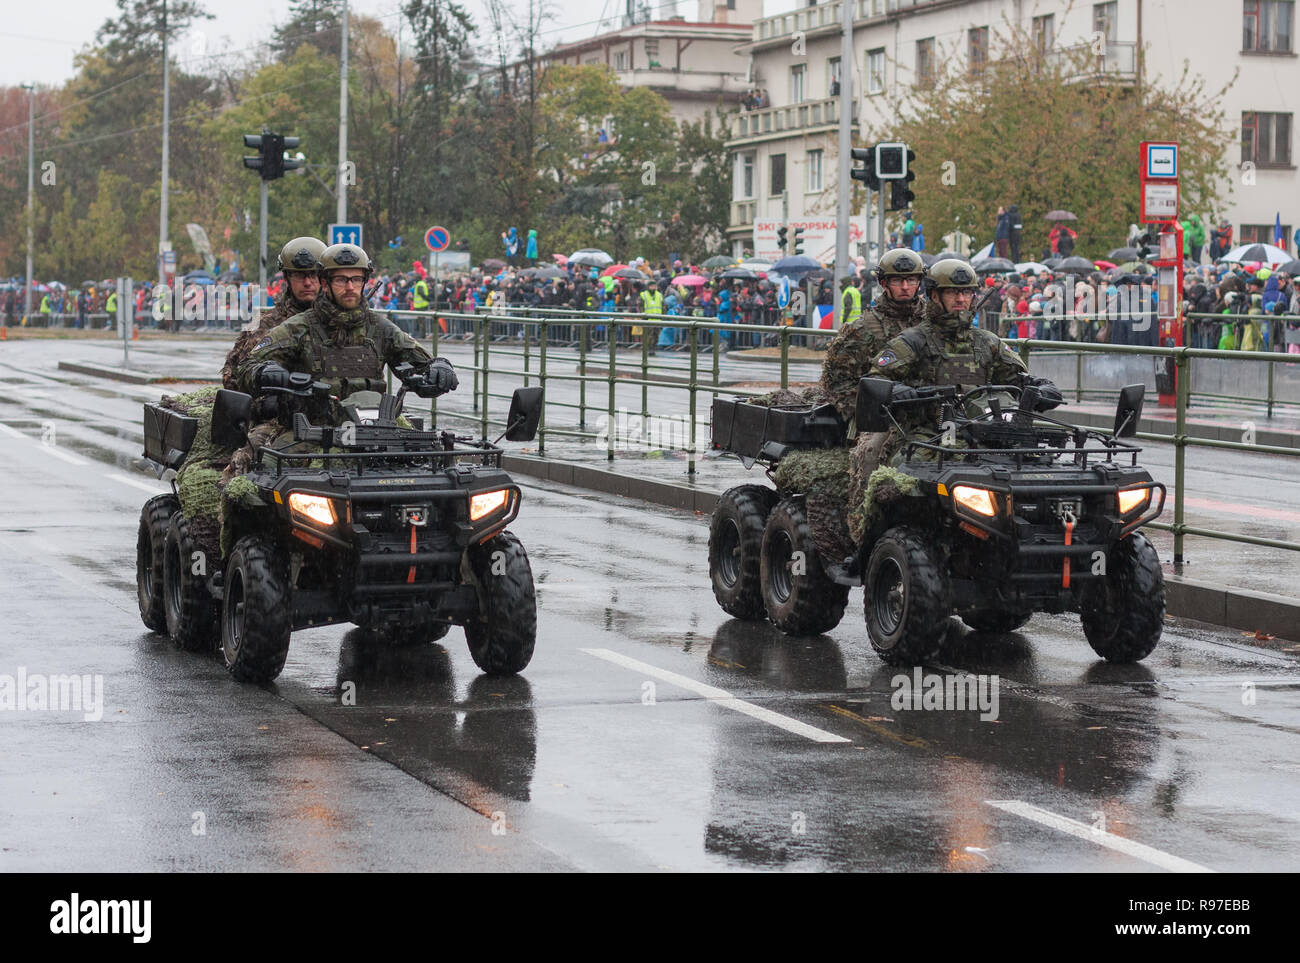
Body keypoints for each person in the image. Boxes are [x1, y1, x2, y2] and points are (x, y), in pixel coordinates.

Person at [853, 259, 1061, 541]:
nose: (961, 299)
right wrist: (914, 395)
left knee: (1044, 475)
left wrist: (1041, 389)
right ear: (935, 296)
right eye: (953, 292)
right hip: (927, 435)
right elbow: (877, 382)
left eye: (966, 292)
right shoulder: (914, 341)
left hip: (988, 435)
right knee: (905, 483)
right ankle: (873, 539)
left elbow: (1020, 378)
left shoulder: (987, 342)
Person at [234, 242, 457, 477]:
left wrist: (439, 369)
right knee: (268, 471)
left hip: (378, 431)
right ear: (325, 283)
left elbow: (421, 364)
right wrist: (266, 372)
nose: (350, 287)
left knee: (432, 469)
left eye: (356, 279)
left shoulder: (380, 328)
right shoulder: (298, 328)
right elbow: (248, 367)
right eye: (341, 280)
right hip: (312, 433)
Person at [221, 237, 327, 390]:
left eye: (313, 275)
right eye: (299, 275)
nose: (307, 282)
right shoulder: (265, 324)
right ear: (287, 278)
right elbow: (233, 377)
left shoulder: (338, 321)